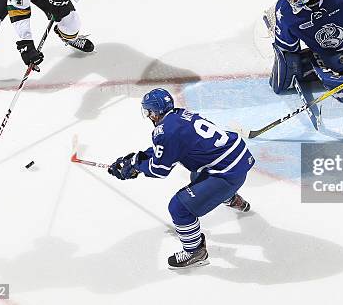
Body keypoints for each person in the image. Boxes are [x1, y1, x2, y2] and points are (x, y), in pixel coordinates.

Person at [107, 88, 254, 269]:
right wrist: (139, 157)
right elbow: (172, 147)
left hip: (227, 175)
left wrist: (137, 166)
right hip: (237, 160)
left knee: (179, 208)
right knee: (196, 174)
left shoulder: (163, 132)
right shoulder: (180, 115)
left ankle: (195, 252)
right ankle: (230, 197)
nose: (148, 116)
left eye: (148, 112)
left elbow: (160, 169)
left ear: (153, 112)